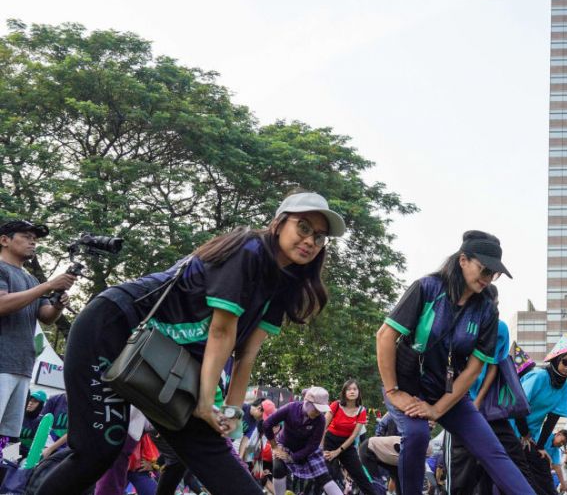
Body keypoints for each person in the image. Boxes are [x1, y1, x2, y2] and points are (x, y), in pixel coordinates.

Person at [30, 191, 346, 494]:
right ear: (279, 223)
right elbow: (222, 332)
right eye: (303, 227)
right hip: (111, 329)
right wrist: (206, 404)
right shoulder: (249, 250)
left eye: (319, 237)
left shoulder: (284, 283)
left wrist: (232, 412)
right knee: (99, 450)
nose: (310, 240)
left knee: (213, 452)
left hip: (167, 361)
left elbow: (246, 353)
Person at [376, 230, 533, 495]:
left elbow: (474, 369)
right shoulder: (427, 288)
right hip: (407, 388)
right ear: (463, 260)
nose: (488, 279)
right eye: (484, 270)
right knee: (416, 435)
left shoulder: (486, 309)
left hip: (449, 394)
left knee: (493, 451)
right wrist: (394, 391)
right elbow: (385, 336)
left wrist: (437, 410)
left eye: (493, 275)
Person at [0, 220, 74, 448]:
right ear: (4, 240)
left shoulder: (31, 280)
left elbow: (46, 316)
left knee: (7, 438)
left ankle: (4, 482)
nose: (33, 241)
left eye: (35, 238)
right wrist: (47, 286)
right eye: (25, 236)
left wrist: (59, 303)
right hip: (1, 363)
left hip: (22, 366)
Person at [449, 317, 526, 495]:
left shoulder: (500, 328)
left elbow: (495, 365)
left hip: (490, 410)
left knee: (515, 461)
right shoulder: (458, 321)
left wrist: (478, 400)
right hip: (460, 406)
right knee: (463, 473)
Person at [514, 335, 567, 495]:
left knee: (542, 465)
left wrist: (541, 447)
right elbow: (518, 405)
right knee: (518, 471)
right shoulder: (539, 376)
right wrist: (524, 434)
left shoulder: (565, 388)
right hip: (513, 427)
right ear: (556, 359)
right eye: (565, 361)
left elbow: (551, 420)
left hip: (531, 437)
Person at [264, 387, 344, 495]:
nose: (318, 412)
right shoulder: (290, 408)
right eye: (315, 408)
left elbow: (313, 445)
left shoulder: (320, 420)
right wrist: (274, 447)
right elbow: (267, 424)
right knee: (278, 468)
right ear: (307, 402)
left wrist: (292, 457)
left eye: (320, 410)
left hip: (307, 451)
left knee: (323, 476)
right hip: (284, 445)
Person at [322, 379, 380, 494]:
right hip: (329, 442)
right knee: (326, 474)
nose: (352, 391)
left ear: (358, 392)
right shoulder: (336, 405)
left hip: (347, 445)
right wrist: (321, 449)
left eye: (354, 389)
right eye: (349, 389)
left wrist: (338, 451)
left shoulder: (361, 410)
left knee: (361, 476)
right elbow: (322, 428)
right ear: (344, 392)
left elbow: (354, 436)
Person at [15, 390, 46, 461]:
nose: (30, 403)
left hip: (28, 455)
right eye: (30, 400)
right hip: (12, 450)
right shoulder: (20, 414)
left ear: (41, 405)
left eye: (35, 401)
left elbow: (38, 445)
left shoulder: (41, 421)